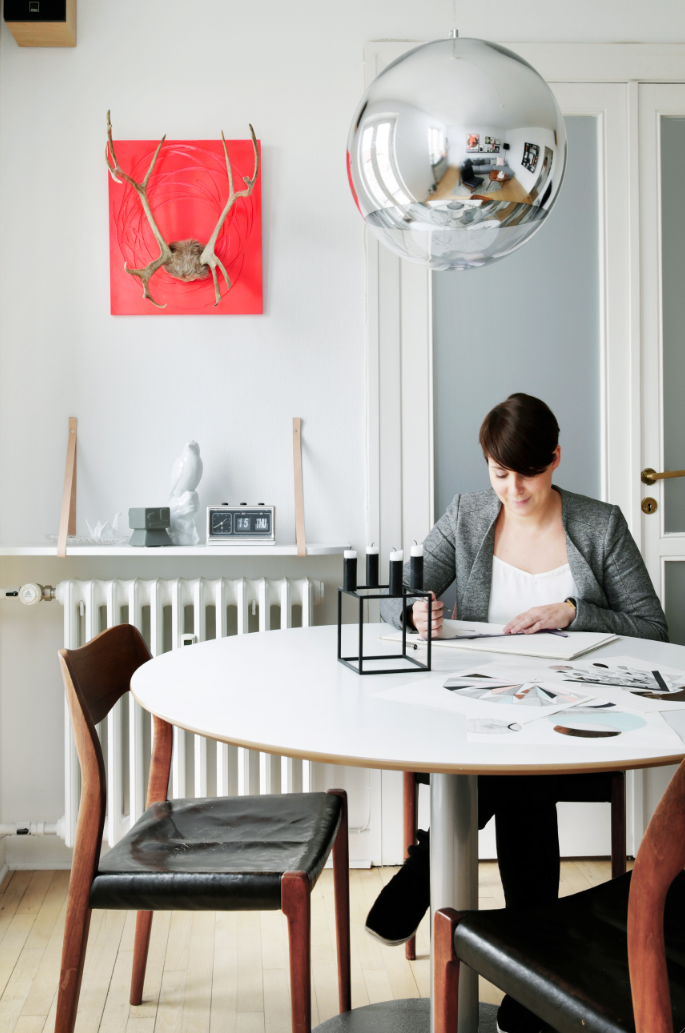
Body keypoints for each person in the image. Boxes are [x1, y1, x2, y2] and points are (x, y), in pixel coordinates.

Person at [365, 393, 667, 1033]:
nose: (514, 490)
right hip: (479, 705)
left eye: (527, 474)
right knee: (516, 774)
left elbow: (654, 628)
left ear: (555, 458)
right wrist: (415, 611)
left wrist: (573, 612)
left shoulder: (599, 525)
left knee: (518, 772)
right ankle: (535, 981)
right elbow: (396, 595)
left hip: (577, 717)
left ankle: (421, 873)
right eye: (500, 474)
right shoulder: (469, 515)